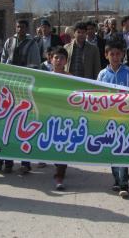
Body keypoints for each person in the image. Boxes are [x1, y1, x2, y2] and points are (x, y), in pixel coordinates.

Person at [98, 37, 129, 198]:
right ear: (106, 55)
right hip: (109, 118)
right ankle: (117, 180)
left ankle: (124, 183)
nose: (115, 57)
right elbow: (96, 95)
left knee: (123, 149)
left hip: (126, 117)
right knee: (112, 150)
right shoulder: (102, 74)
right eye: (112, 54)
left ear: (123, 55)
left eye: (118, 54)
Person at [0, 19, 41, 174]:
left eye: (22, 26)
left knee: (24, 126)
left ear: (26, 28)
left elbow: (35, 66)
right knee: (8, 124)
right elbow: (3, 60)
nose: (20, 29)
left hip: (25, 88)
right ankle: (8, 162)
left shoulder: (32, 44)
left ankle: (25, 163)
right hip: (9, 88)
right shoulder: (9, 41)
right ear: (15, 27)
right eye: (17, 26)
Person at [48, 47, 71, 190]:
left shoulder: (70, 78)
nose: (58, 60)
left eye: (61, 58)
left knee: (63, 146)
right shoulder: (44, 77)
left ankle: (59, 176)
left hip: (64, 117)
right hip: (49, 117)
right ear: (51, 59)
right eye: (56, 58)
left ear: (66, 61)